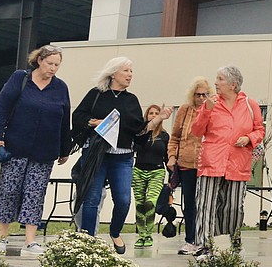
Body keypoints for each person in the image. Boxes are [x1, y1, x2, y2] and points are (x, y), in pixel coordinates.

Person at [72, 57, 171, 253]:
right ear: (113, 73)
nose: (129, 75)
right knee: (91, 199)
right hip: (97, 154)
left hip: (122, 157)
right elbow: (78, 117)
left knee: (124, 200)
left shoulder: (131, 100)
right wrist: (96, 122)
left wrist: (159, 119)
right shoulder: (96, 94)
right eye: (126, 71)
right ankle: (88, 239)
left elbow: (139, 132)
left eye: (131, 71)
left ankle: (115, 232)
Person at [0, 45, 72, 256]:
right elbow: (1, 108)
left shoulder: (61, 87)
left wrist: (64, 148)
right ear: (39, 60)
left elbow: (65, 119)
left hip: (44, 151)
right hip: (16, 146)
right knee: (9, 190)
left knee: (35, 194)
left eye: (57, 65)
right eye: (50, 63)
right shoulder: (20, 78)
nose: (53, 68)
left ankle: (30, 241)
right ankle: (1, 238)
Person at [189, 65, 265, 258]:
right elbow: (196, 131)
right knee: (205, 205)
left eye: (220, 79)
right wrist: (206, 110)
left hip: (238, 163)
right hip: (212, 162)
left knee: (233, 207)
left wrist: (249, 138)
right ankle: (204, 245)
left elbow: (259, 130)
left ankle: (230, 241)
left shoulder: (250, 104)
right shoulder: (210, 103)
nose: (216, 83)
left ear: (233, 84)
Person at [167, 77, 212, 254]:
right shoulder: (185, 111)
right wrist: (172, 156)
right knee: (189, 203)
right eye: (198, 94)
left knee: (205, 203)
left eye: (205, 94)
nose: (201, 98)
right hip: (186, 163)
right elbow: (175, 136)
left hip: (207, 164)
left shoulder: (213, 110)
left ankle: (205, 240)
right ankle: (190, 239)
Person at [131, 104, 169, 248]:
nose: (153, 115)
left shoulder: (164, 136)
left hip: (157, 171)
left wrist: (172, 177)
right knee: (140, 204)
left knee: (150, 202)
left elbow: (167, 156)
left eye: (156, 113)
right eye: (151, 113)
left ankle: (149, 233)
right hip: (139, 170)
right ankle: (142, 236)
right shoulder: (140, 134)